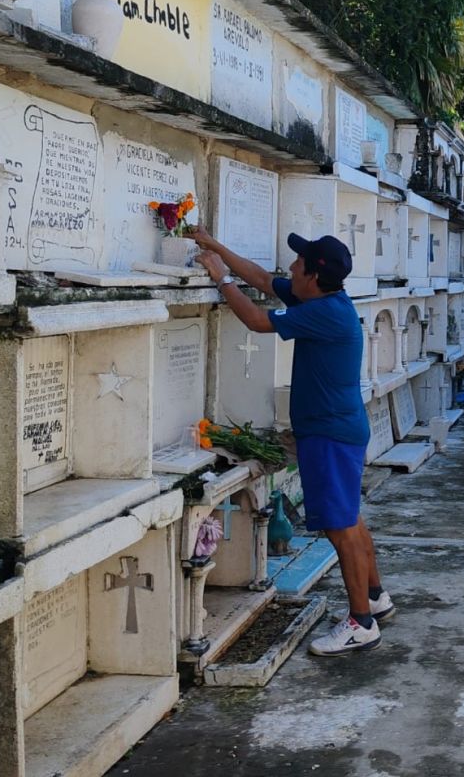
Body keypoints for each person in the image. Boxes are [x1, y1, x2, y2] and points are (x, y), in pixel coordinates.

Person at [192, 224, 391, 656]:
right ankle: (374, 596)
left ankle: (361, 622)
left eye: (299, 262)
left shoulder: (325, 312)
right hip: (335, 430)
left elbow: (258, 318)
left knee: (341, 530)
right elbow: (263, 281)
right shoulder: (322, 298)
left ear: (313, 275)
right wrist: (215, 247)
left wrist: (220, 277)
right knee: (350, 521)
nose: (292, 266)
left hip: (329, 435)